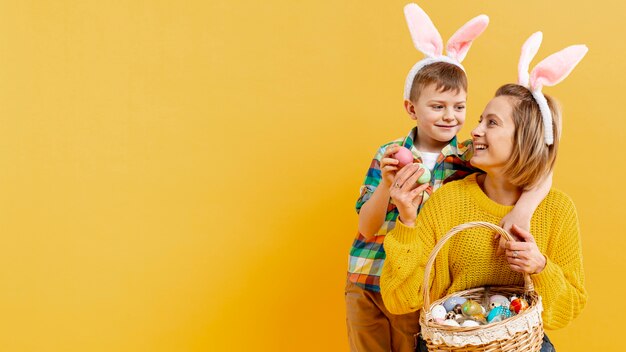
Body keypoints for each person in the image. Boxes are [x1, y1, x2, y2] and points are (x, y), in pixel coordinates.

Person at [345, 5, 549, 352]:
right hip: (366, 277)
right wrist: (386, 187)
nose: (450, 117)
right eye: (437, 106)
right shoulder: (390, 153)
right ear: (412, 108)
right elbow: (366, 227)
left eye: (459, 107)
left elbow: (540, 168)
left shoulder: (469, 154)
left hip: (419, 283)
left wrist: (522, 212)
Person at [380, 32, 588, 351]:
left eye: (492, 123)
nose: (475, 130)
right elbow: (399, 300)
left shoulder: (557, 210)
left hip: (519, 342)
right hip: (452, 342)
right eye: (479, 120)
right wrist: (406, 222)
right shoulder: (448, 201)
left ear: (524, 139)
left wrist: (540, 267)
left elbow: (566, 311)